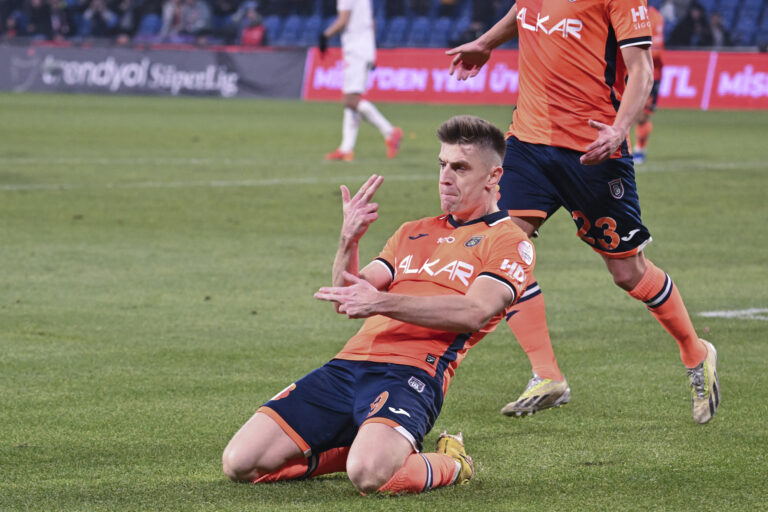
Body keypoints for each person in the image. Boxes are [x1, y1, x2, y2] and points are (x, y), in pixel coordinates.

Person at [222, 115, 538, 494]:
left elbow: (474, 312)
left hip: (412, 375)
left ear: (493, 176)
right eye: (442, 165)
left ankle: (453, 462)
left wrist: (382, 302)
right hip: (346, 367)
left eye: (460, 167)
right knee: (239, 463)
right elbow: (347, 295)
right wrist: (348, 241)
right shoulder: (412, 231)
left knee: (370, 476)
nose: (445, 177)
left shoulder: (508, 242)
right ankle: (359, 445)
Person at [447, 0, 720, 423]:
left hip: (594, 147)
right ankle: (546, 374)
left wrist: (620, 128)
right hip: (529, 143)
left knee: (627, 272)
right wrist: (485, 42)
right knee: (500, 245)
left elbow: (641, 68)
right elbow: (523, 13)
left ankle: (695, 351)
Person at [319, 0, 402, 162]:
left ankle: (390, 131)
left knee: (350, 100)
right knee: (352, 101)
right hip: (365, 50)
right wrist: (372, 50)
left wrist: (324, 36)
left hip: (356, 51)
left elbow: (343, 20)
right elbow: (372, 23)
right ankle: (346, 149)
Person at [633, 4, 665, 164]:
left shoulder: (655, 16)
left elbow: (657, 50)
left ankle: (639, 149)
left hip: (651, 73)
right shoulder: (627, 9)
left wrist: (634, 51)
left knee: (642, 116)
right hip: (630, 71)